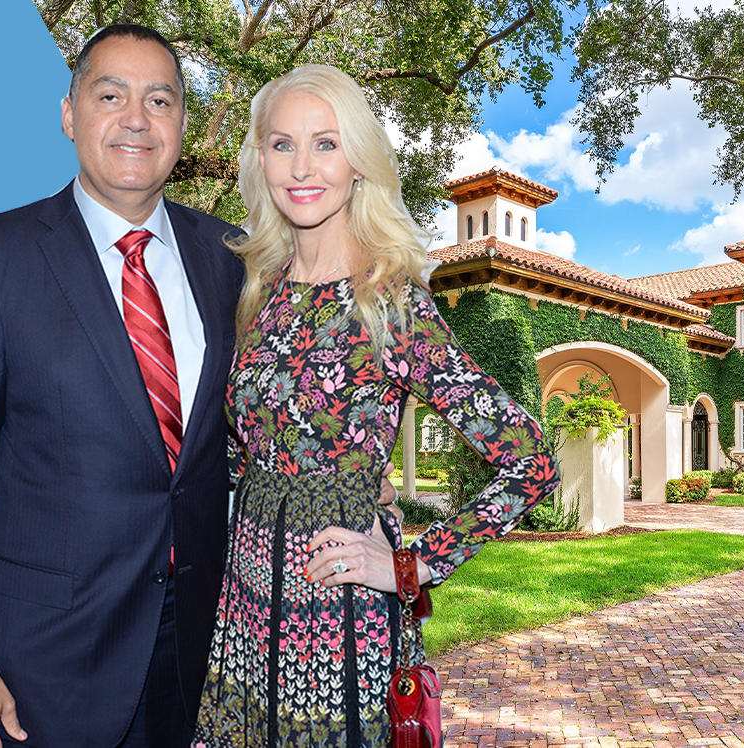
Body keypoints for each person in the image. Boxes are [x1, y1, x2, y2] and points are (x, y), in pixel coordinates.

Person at [0, 25, 398, 748]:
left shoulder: (234, 260)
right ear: (69, 113)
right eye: (110, 95)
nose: (136, 118)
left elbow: (247, 424)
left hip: (210, 643)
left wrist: (345, 475)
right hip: (48, 656)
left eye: (160, 99)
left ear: (180, 123)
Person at [191, 64, 561, 747]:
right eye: (282, 144)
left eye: (326, 143)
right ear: (260, 159)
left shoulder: (391, 303)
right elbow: (241, 451)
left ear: (358, 161)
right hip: (243, 605)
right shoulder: (254, 291)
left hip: (336, 619)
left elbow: (531, 463)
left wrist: (411, 566)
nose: (302, 166)